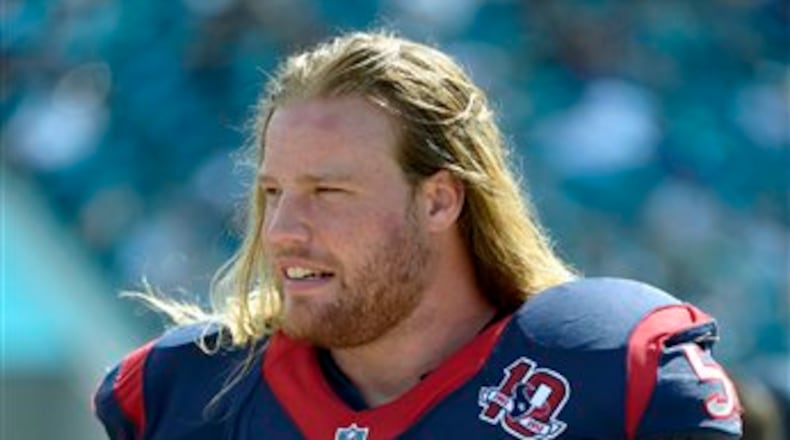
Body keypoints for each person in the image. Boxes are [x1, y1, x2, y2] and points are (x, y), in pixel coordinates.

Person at [93, 31, 743, 439]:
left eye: (328, 192)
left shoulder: (608, 368)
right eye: (272, 193)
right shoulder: (184, 390)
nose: (282, 230)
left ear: (438, 199)